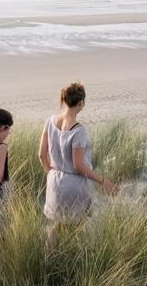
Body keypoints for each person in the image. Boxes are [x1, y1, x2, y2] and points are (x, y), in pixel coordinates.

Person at [38, 82, 117, 240]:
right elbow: (78, 165)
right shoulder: (78, 131)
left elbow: (41, 154)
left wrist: (52, 173)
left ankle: (50, 258)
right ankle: (74, 259)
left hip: (54, 181)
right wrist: (103, 181)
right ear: (81, 103)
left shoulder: (50, 121)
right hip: (75, 185)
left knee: (58, 225)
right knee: (79, 227)